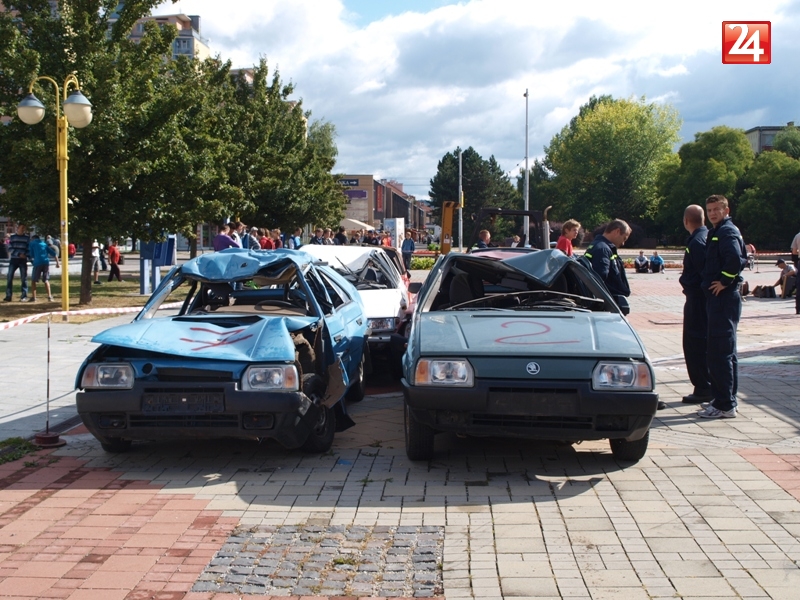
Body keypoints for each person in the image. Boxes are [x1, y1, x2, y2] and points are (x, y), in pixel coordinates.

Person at [696, 195, 748, 419]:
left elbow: (735, 260)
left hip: (723, 299)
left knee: (719, 352)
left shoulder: (726, 231)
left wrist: (724, 282)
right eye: (709, 210)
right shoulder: (718, 231)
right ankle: (725, 399)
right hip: (721, 299)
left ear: (727, 210)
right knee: (724, 351)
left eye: (717, 209)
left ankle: (724, 404)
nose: (712, 213)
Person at [679, 205, 713, 405]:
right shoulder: (704, 237)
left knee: (694, 343)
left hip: (698, 299)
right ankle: (705, 385)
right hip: (701, 299)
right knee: (698, 342)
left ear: (686, 221)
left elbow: (703, 272)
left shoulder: (697, 241)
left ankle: (703, 387)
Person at [584, 220, 631, 300]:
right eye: (624, 238)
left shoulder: (598, 245)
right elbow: (599, 279)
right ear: (617, 231)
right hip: (610, 300)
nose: (623, 243)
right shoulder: (603, 249)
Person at [27, 234, 59, 302]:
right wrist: (57, 263)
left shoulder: (32, 243)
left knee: (33, 280)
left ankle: (34, 297)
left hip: (37, 263)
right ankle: (49, 296)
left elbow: (31, 254)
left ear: (33, 238)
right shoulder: (44, 244)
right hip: (45, 263)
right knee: (46, 280)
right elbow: (54, 254)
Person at [4, 224, 31, 302]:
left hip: (23, 260)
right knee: (9, 277)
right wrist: (18, 254)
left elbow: (29, 249)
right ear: (17, 228)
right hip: (14, 259)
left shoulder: (27, 238)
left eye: (24, 228)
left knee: (24, 278)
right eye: (21, 228)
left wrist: (26, 255)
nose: (23, 229)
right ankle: (8, 296)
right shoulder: (12, 237)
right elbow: (9, 248)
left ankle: (24, 296)